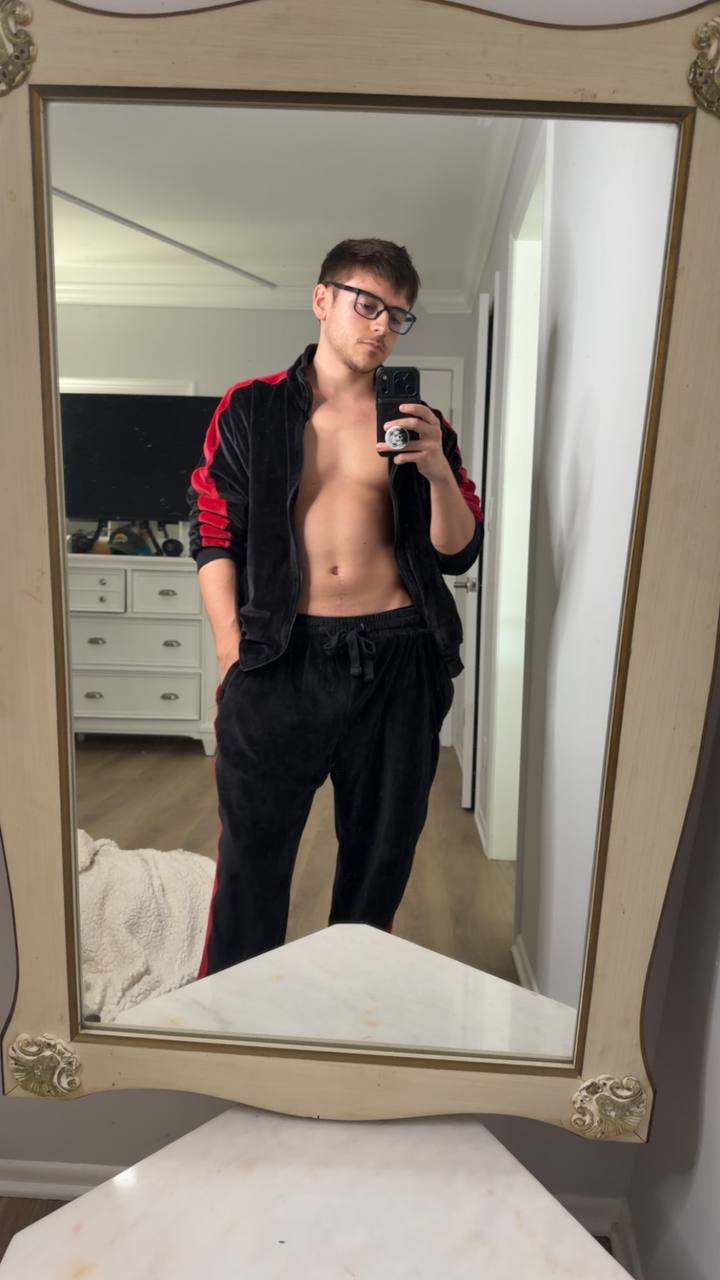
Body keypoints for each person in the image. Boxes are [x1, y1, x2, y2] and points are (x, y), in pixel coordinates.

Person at [187, 238, 483, 977]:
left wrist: (437, 471)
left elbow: (458, 551)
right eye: (367, 304)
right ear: (323, 299)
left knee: (380, 859)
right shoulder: (252, 408)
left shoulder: (421, 422)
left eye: (398, 315)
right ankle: (230, 1016)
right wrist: (231, 653)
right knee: (252, 862)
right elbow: (214, 530)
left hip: (399, 658)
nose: (382, 326)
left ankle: (347, 1006)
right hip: (281, 656)